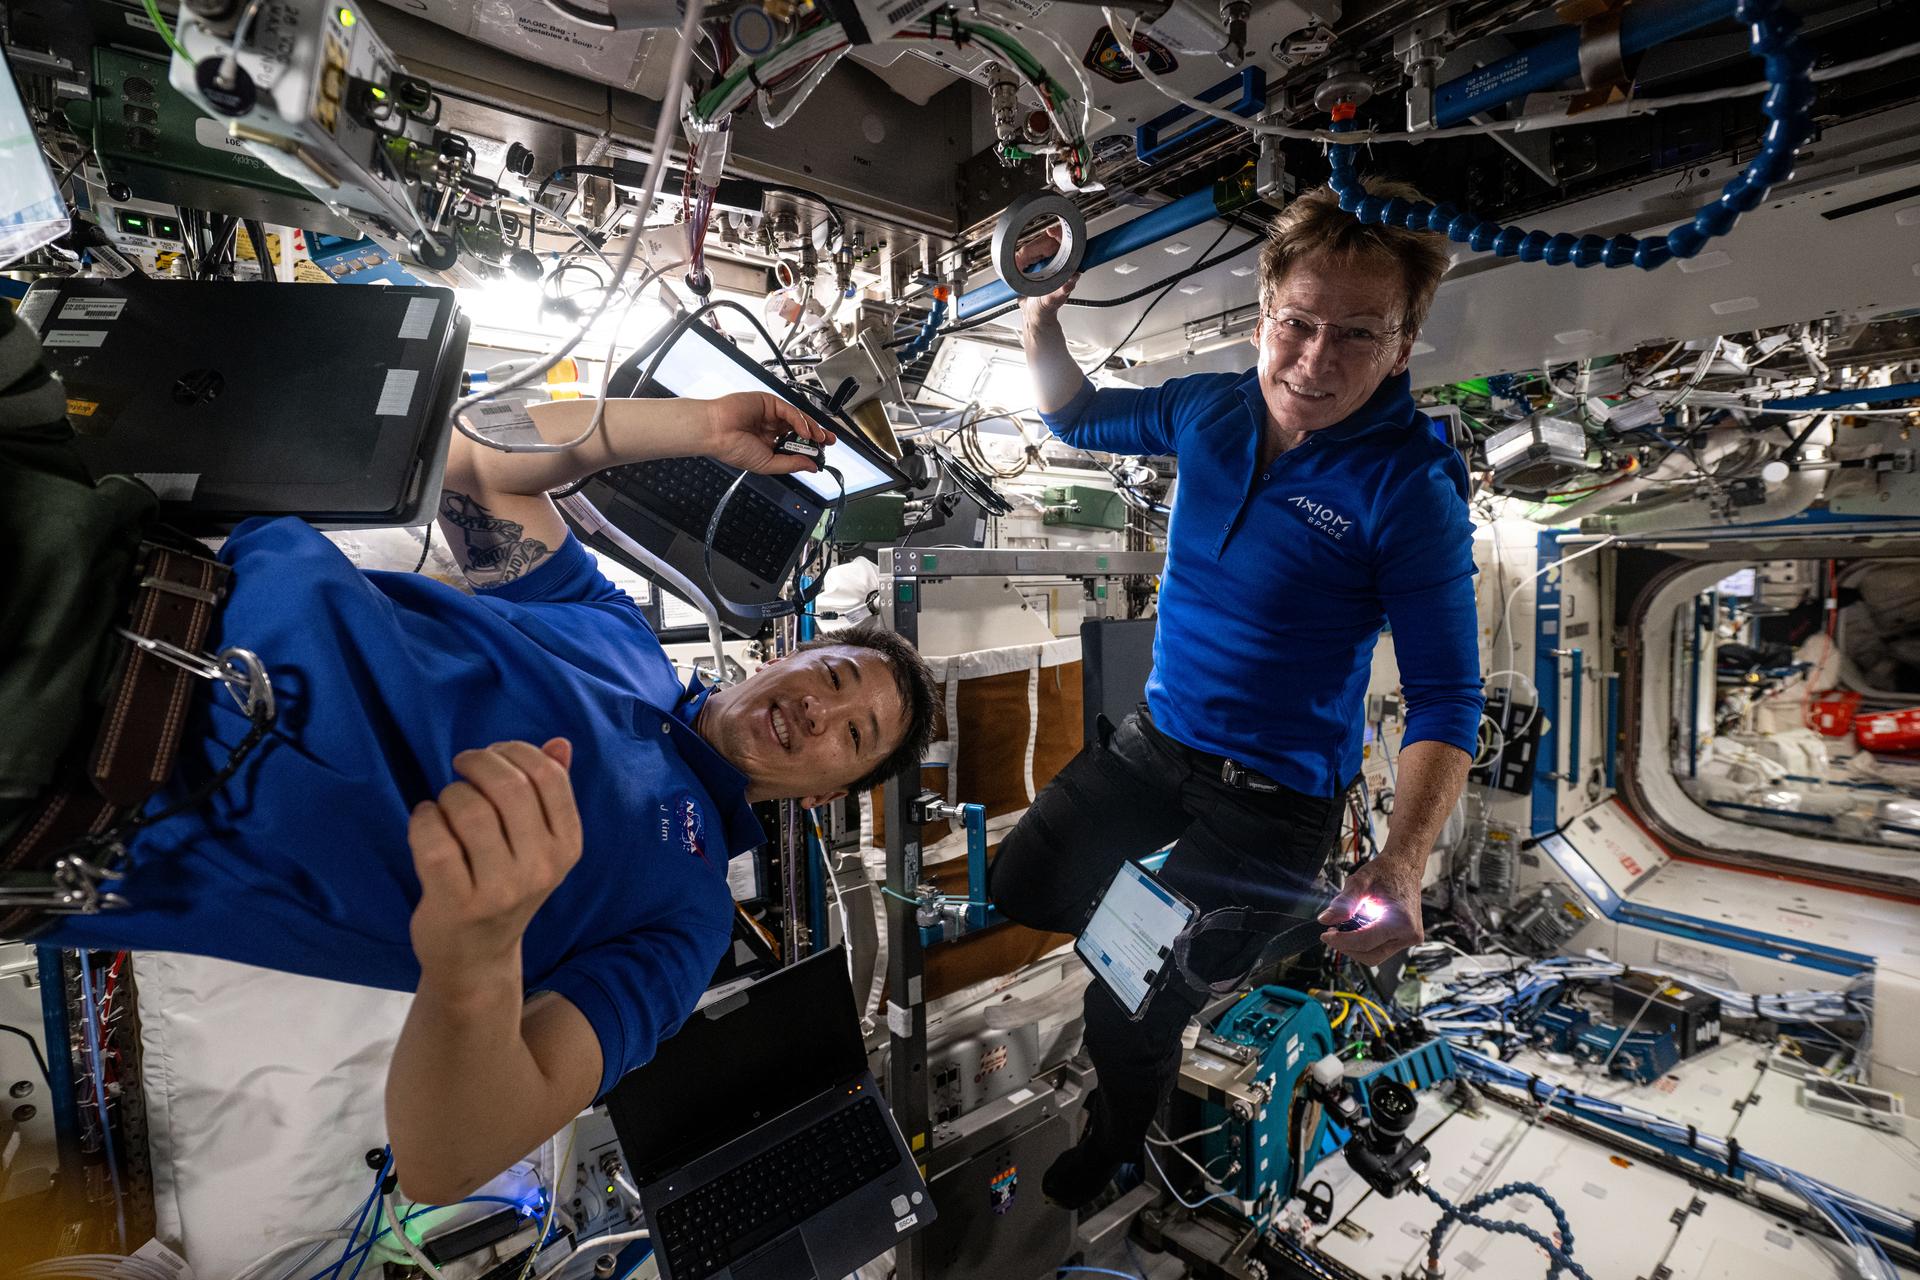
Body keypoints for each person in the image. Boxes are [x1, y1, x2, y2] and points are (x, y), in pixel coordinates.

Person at [7, 323, 939, 1205]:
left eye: (852, 735)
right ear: (787, 656)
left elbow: (449, 1158)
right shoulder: (620, 633)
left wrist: (477, 956)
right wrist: (697, 427)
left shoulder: (684, 924)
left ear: (825, 794)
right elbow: (476, 462)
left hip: (63, 756)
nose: (819, 710)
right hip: (105, 543)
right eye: (834, 675)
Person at [989, 180, 1483, 1209]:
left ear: (1402, 347)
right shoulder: (1209, 408)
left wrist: (1403, 860)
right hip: (1159, 745)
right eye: (1297, 323)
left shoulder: (1409, 489)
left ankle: (1118, 1135)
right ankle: (1169, 937)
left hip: (1273, 803)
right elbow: (1074, 413)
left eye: (1357, 334)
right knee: (1020, 887)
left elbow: (1445, 697)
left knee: (1126, 1009)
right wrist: (1039, 322)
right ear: (1262, 316)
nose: (1315, 360)